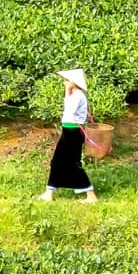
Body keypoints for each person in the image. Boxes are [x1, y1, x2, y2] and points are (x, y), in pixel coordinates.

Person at [40, 66, 96, 201]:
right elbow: (67, 107)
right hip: (68, 131)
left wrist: (67, 90)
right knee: (57, 161)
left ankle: (91, 195)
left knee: (72, 163)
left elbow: (69, 111)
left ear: (73, 82)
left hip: (73, 132)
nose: (65, 82)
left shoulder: (78, 96)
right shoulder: (74, 95)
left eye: (67, 80)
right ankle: (49, 192)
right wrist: (68, 92)